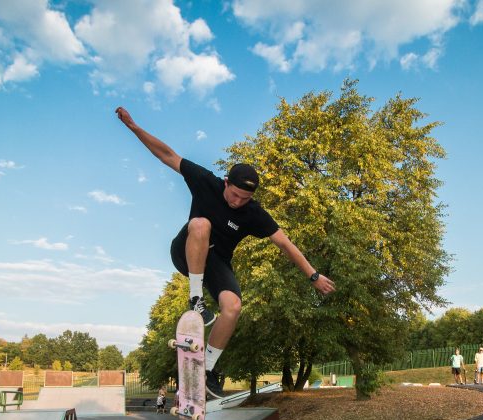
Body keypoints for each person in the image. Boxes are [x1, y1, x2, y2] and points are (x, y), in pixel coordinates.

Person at [115, 107, 336, 398]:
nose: (237, 202)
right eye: (234, 194)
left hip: (216, 261)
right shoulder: (205, 180)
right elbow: (167, 155)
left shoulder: (253, 213)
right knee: (201, 223)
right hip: (186, 251)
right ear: (226, 183)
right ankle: (195, 298)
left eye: (245, 199)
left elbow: (284, 243)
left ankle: (205, 371)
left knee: (232, 307)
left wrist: (314, 276)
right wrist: (134, 127)